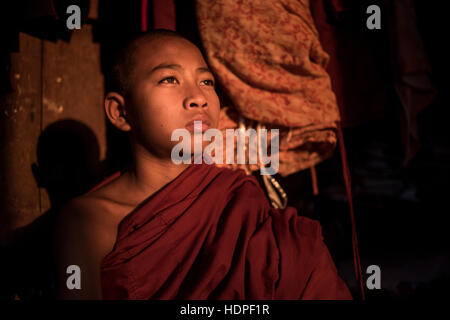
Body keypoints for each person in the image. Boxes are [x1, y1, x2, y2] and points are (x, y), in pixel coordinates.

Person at [54, 29, 352, 300]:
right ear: (120, 112)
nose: (199, 97)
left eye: (206, 81)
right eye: (169, 79)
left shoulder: (234, 196)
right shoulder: (89, 221)